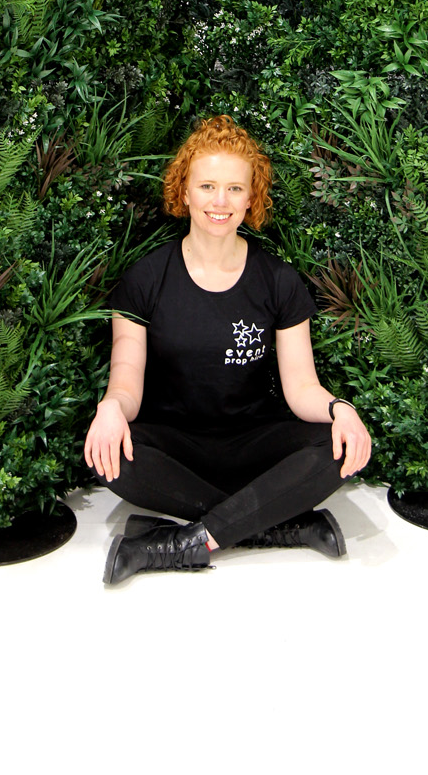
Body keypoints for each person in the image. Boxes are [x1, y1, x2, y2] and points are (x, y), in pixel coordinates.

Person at [83, 113, 372, 585]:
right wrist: (111, 408)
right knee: (108, 452)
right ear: (184, 192)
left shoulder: (278, 281)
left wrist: (341, 408)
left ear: (251, 197)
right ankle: (272, 522)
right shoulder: (145, 279)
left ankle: (183, 543)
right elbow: (127, 383)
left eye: (235, 189)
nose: (221, 202)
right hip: (176, 447)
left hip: (256, 446)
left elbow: (302, 388)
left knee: (338, 447)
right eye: (207, 187)